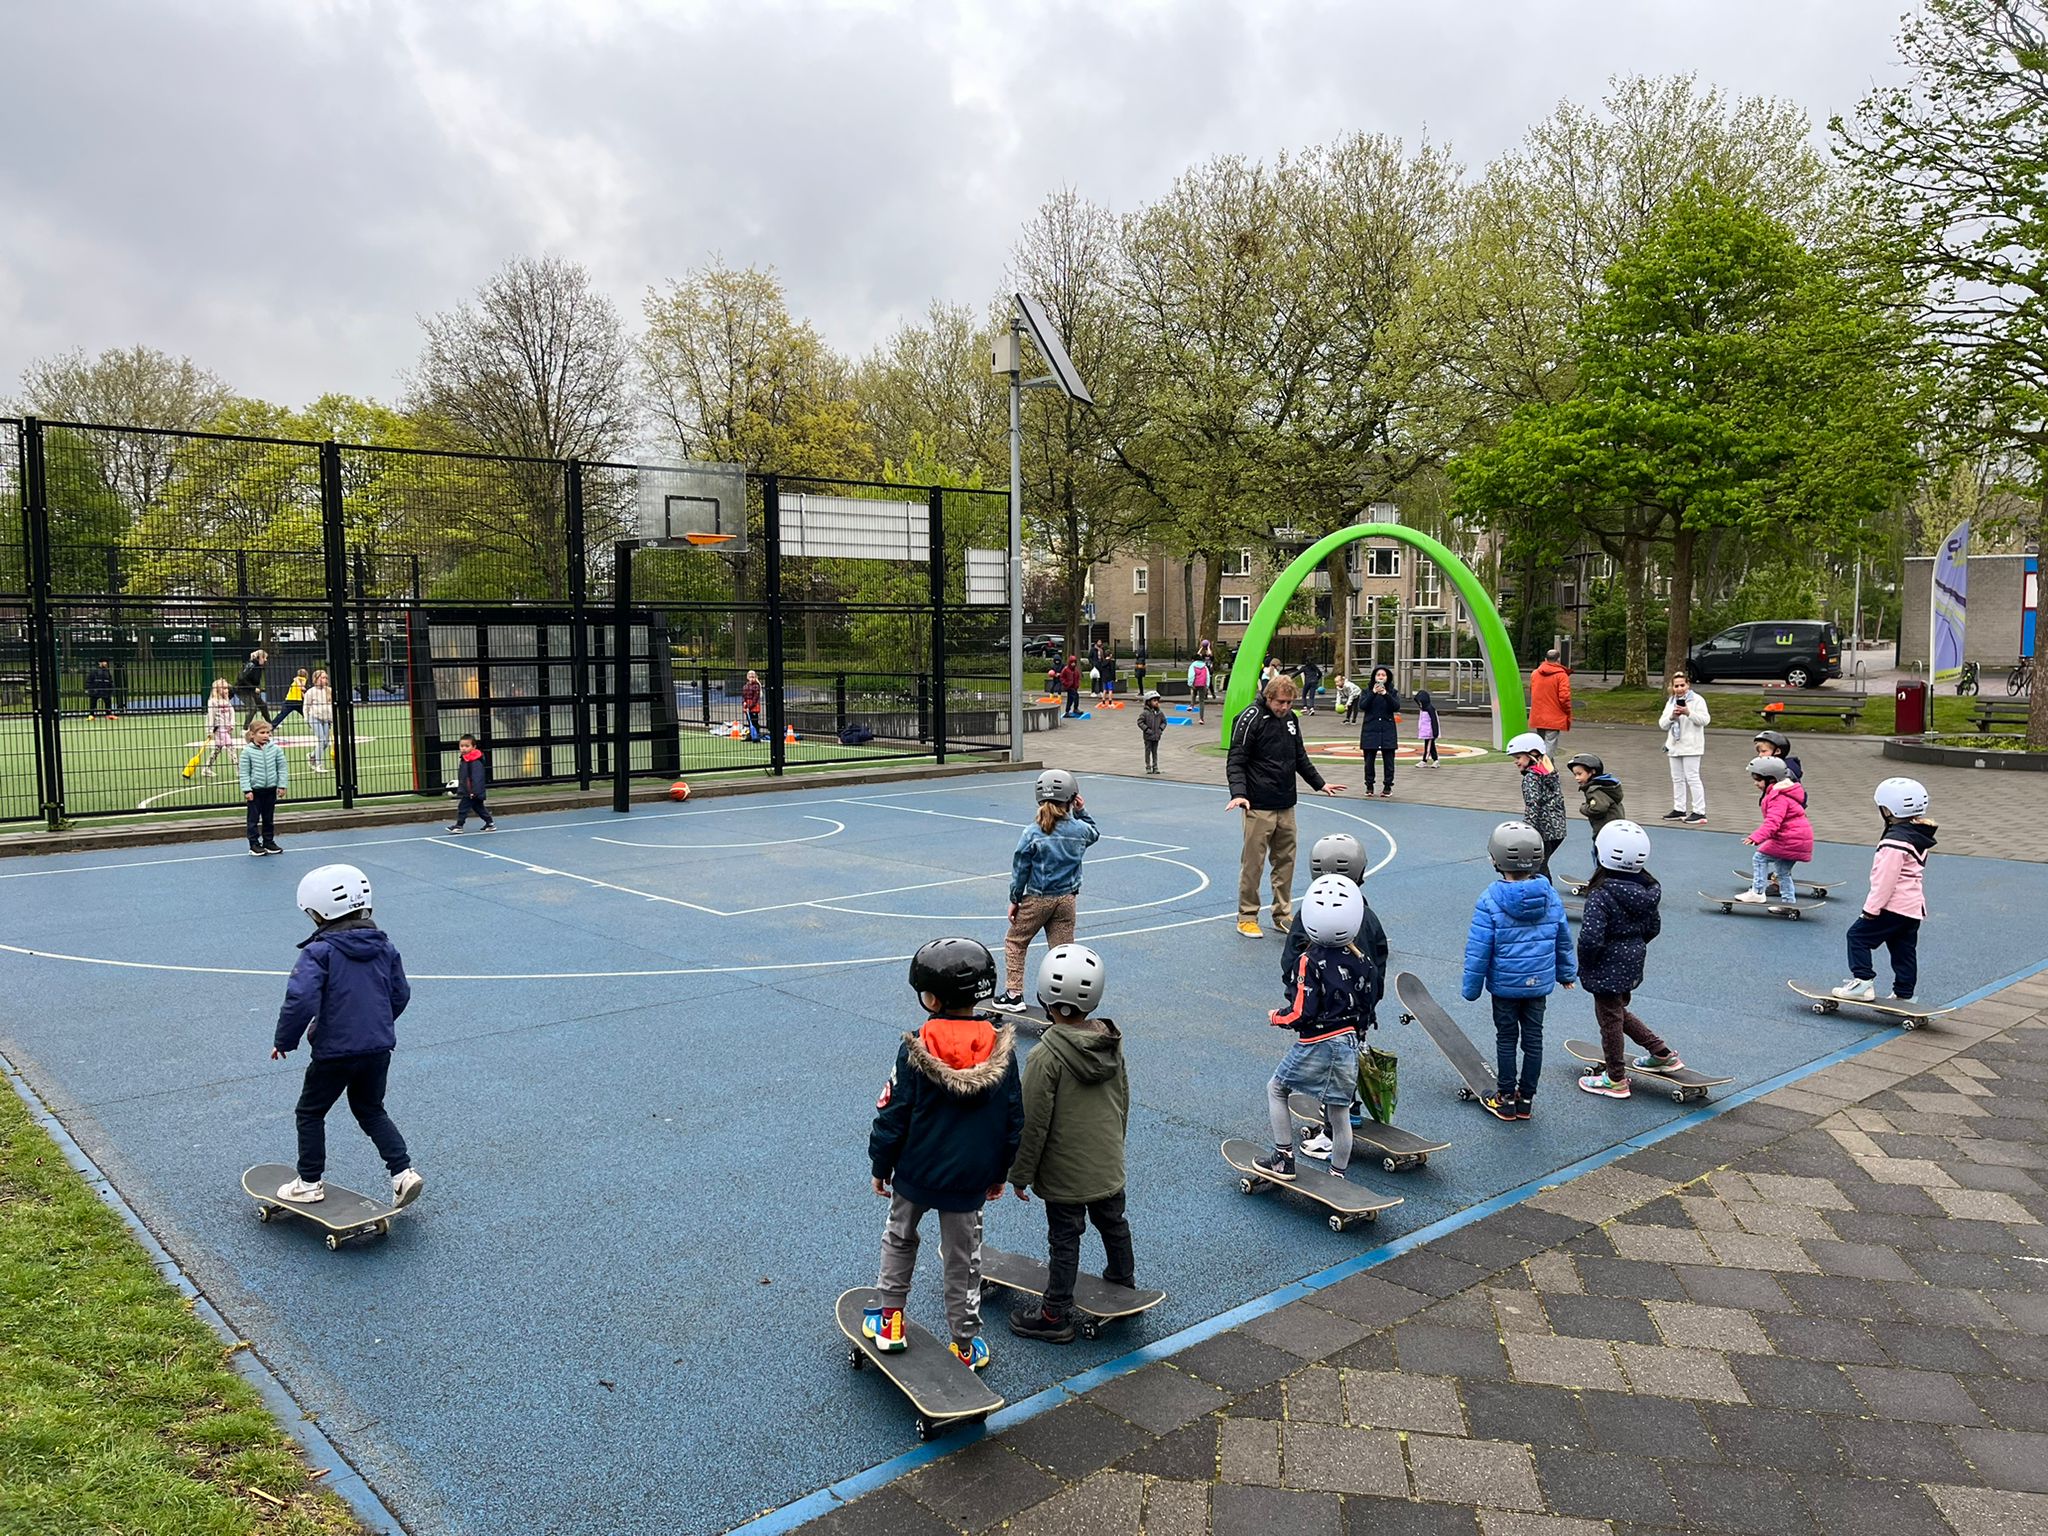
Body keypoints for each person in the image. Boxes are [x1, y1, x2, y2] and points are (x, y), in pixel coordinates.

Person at [865, 937, 1022, 1370]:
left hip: (915, 1171)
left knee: (900, 1238)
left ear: (930, 997)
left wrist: (882, 1164)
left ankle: (891, 1321)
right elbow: (1014, 1118)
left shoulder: (916, 1047)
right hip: (969, 1178)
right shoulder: (1001, 1052)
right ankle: (965, 1344)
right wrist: (1000, 1172)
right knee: (963, 1258)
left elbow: (893, 1113)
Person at [271, 863, 422, 1208]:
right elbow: (400, 993)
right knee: (371, 1109)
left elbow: (300, 998)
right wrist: (378, 1025)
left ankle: (309, 1182)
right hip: (377, 1048)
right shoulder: (384, 946)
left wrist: (285, 1040)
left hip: (334, 1050)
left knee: (310, 1112)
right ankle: (402, 1173)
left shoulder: (319, 951)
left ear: (317, 912)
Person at [1006, 945, 1135, 1343]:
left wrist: (1019, 1174)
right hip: (1107, 1162)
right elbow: (1123, 1101)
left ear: (1044, 997)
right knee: (1113, 1223)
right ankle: (1123, 1280)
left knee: (1064, 1238)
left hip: (1065, 1172)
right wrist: (1113, 1147)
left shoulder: (1045, 1056)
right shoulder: (1109, 1043)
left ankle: (1055, 1314)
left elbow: (1033, 1122)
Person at [1254, 875, 1374, 1182]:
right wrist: (1359, 1036)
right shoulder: (1362, 959)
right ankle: (1338, 1176)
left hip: (1318, 1041)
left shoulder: (1309, 961)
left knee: (1277, 1088)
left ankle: (1283, 1158)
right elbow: (1366, 1004)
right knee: (1339, 1110)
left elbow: (1301, 1012)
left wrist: (1275, 1017)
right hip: (1348, 1041)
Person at [1461, 821, 1576, 1121]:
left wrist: (1471, 988)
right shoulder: (1549, 895)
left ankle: (1505, 1097)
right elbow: (1562, 937)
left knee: (1507, 1038)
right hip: (1539, 983)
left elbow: (1478, 948)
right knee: (1534, 1039)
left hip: (1505, 986)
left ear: (1495, 860)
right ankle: (1526, 1100)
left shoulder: (1489, 899)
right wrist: (1566, 973)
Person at [1283, 834, 1388, 1160]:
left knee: (1326, 1068)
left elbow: (1291, 961)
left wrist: (1295, 998)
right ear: (1360, 873)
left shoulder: (1308, 914)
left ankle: (1332, 1131)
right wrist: (1370, 1004)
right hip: (1357, 1013)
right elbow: (1379, 959)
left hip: (1318, 1017)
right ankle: (1348, 1112)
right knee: (1347, 1063)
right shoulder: (1366, 916)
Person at [1226, 674, 1344, 938]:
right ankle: (1247, 916)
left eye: (1289, 703)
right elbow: (1236, 761)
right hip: (1258, 805)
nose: (1285, 707)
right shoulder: (1249, 718)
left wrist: (1320, 783)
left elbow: (1299, 756)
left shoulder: (1291, 720)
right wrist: (1239, 793)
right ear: (1269, 697)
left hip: (1286, 803)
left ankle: (1282, 914)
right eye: (1281, 702)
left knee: (1285, 861)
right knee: (1253, 864)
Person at [1574, 821, 1686, 1099]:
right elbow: (1653, 928)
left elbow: (1591, 938)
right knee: (1617, 1011)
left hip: (1605, 964)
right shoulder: (1647, 890)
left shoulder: (1601, 894)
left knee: (1609, 1020)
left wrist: (1585, 963)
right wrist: (1633, 946)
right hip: (1633, 960)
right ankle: (1661, 1053)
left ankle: (1615, 1078)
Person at [993, 770, 1100, 1012]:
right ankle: (1060, 1003)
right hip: (1067, 900)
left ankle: (1014, 994)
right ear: (1072, 799)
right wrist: (1082, 812)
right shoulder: (1080, 829)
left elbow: (1020, 868)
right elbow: (1094, 834)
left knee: (1015, 941)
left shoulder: (1032, 832)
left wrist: (1015, 899)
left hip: (1038, 898)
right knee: (1063, 953)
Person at [1834, 778, 1936, 1003]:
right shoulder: (1918, 836)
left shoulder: (1894, 842)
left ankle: (1862, 983)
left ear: (1888, 810)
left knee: (1857, 936)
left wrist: (1871, 910)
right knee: (1903, 950)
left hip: (1892, 906)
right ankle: (1904, 994)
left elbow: (1885, 881)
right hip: (1912, 908)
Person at [1740, 755, 1812, 905]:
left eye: (1758, 780)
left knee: (1759, 858)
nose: (1755, 784)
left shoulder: (1778, 797)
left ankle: (1757, 892)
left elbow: (1773, 822)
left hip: (1790, 839)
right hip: (1800, 839)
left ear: (1771, 779)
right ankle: (1788, 902)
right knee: (1782, 871)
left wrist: (1756, 837)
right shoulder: (1785, 793)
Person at [1507, 732, 1568, 878]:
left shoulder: (1531, 778)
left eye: (1518, 757)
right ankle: (1546, 893)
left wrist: (1526, 830)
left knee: (1536, 867)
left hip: (1543, 830)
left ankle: (1543, 895)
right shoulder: (1549, 773)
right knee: (1541, 863)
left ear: (1532, 754)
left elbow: (1533, 805)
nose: (1516, 762)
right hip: (1557, 830)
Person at [1657, 672, 1710, 823]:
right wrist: (1672, 717)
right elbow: (1662, 724)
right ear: (1672, 687)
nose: (1679, 689)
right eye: (1676, 686)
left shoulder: (1697, 700)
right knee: (1677, 778)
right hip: (1674, 745)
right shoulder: (1671, 701)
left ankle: (1699, 811)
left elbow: (1705, 720)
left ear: (1688, 685)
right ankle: (1679, 808)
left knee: (1692, 777)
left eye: (1682, 685)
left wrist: (1688, 713)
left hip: (1692, 746)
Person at [1565, 752, 1624, 878]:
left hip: (1604, 831)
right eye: (1575, 774)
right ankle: (1610, 878)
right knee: (1611, 856)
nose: (1576, 778)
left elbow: (1598, 808)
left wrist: (1584, 808)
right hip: (1614, 829)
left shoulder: (1595, 790)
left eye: (1579, 774)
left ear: (1592, 772)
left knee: (1599, 855)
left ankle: (1602, 880)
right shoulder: (1604, 786)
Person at [240, 719, 287, 855]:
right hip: (255, 791)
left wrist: (282, 785)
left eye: (268, 732)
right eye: (262, 732)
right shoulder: (247, 752)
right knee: (253, 819)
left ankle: (268, 842)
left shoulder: (276, 749)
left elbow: (282, 768)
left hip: (270, 789)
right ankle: (254, 844)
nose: (266, 735)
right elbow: (244, 772)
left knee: (268, 818)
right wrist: (247, 789)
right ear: (253, 735)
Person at [1356, 664, 1401, 799]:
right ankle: (1369, 785)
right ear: (1374, 677)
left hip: (1387, 730)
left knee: (1389, 761)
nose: (1381, 677)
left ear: (1387, 678)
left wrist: (1385, 694)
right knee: (1369, 760)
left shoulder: (1392, 692)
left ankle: (1388, 786)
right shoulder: (1366, 691)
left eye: (1383, 675)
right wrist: (1373, 693)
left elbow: (1395, 706)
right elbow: (1362, 706)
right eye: (1378, 675)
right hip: (1371, 729)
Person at [189, 678, 239, 779]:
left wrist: (231, 724)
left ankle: (206, 768)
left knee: (217, 749)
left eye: (227, 688)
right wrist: (209, 730)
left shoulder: (226, 700)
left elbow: (232, 712)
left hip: (226, 729)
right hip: (219, 729)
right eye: (224, 688)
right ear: (217, 689)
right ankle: (239, 770)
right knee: (231, 747)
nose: (227, 690)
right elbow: (210, 717)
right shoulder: (213, 701)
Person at [446, 733, 496, 833]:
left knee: (463, 807)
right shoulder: (465, 760)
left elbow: (477, 778)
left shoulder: (474, 761)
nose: (464, 748)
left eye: (467, 746)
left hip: (472, 791)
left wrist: (473, 791)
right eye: (461, 746)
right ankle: (489, 823)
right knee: (478, 808)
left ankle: (459, 825)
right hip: (470, 790)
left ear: (474, 747)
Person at [1529, 648, 1572, 756]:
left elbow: (1532, 691)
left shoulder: (1535, 674)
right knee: (1550, 743)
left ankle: (1539, 765)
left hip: (1538, 714)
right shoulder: (1562, 675)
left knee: (1541, 743)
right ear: (1558, 660)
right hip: (1554, 715)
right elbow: (1564, 697)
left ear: (1545, 659)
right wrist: (1567, 711)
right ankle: (1546, 768)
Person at [304, 669, 334, 773]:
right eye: (322, 677)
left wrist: (331, 718)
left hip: (326, 719)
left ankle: (312, 755)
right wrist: (306, 719)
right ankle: (318, 765)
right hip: (314, 717)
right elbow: (306, 706)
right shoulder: (311, 692)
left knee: (325, 743)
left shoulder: (329, 690)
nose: (324, 680)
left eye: (326, 678)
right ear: (316, 679)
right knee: (321, 740)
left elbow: (330, 706)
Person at [236, 649, 273, 728]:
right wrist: (253, 688)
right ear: (259, 657)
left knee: (263, 705)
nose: (266, 660)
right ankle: (245, 729)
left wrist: (257, 688)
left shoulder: (258, 667)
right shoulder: (250, 665)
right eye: (264, 658)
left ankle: (270, 725)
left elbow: (255, 680)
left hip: (251, 690)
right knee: (252, 708)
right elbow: (241, 678)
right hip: (242, 690)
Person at [1137, 690, 1166, 775]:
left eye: (1157, 700)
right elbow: (1140, 722)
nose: (1156, 702)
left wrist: (1160, 729)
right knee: (1148, 751)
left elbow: (1164, 722)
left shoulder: (1160, 713)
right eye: (1154, 701)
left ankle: (1155, 766)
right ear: (1148, 702)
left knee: (1155, 752)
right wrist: (1146, 730)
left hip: (1156, 736)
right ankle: (1148, 766)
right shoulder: (1145, 713)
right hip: (1148, 736)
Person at [1414, 687, 1441, 767]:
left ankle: (1424, 760)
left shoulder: (1430, 709)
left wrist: (1435, 732)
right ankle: (1435, 760)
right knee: (1431, 746)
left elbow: (1434, 721)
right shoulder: (1423, 709)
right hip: (1426, 732)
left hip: (1430, 732)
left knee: (1428, 746)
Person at [741, 669, 764, 742]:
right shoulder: (746, 686)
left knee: (754, 721)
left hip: (754, 706)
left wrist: (749, 706)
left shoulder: (756, 686)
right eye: (750, 676)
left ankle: (757, 735)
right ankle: (751, 735)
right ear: (747, 677)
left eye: (753, 676)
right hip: (747, 705)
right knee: (749, 720)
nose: (751, 678)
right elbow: (744, 696)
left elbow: (755, 698)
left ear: (755, 677)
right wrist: (744, 703)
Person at [1188, 653, 1211, 723]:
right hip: (1203, 685)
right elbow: (1207, 676)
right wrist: (1207, 685)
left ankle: (1191, 705)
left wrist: (1190, 684)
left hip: (1195, 684)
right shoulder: (1205, 666)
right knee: (1201, 701)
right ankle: (1201, 719)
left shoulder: (1193, 665)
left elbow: (1191, 675)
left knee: (1193, 693)